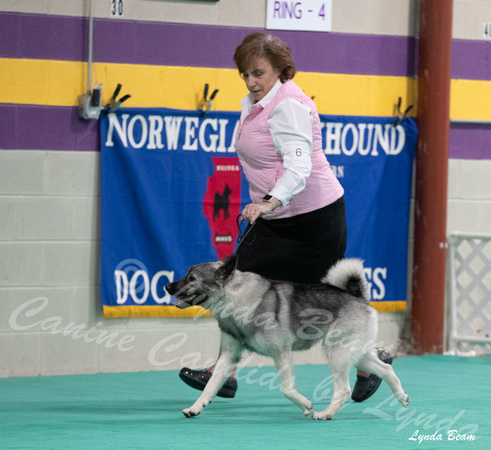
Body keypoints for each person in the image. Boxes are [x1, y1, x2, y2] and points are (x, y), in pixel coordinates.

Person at [179, 32, 392, 402]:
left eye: (258, 73)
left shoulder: (289, 105)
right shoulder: (254, 102)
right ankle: (223, 373)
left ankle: (369, 363)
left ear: (280, 69)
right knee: (234, 284)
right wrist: (270, 206)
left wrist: (267, 202)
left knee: (329, 296)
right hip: (278, 220)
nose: (250, 81)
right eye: (245, 74)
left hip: (315, 220)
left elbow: (299, 166)